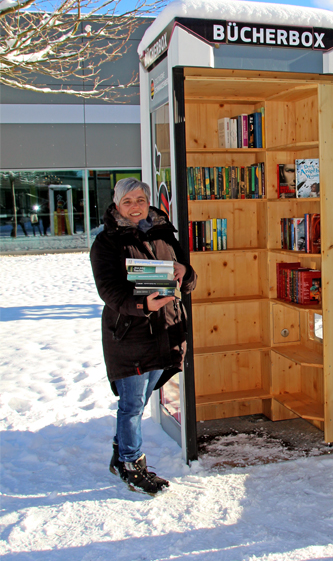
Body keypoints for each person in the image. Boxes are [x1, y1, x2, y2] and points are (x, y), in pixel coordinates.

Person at [90, 178, 197, 495]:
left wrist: (183, 272)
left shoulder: (162, 231)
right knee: (132, 405)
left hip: (165, 330)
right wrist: (142, 304)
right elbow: (109, 292)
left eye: (140, 199)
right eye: (128, 201)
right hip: (130, 335)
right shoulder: (107, 243)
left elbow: (186, 279)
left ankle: (123, 447)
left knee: (143, 395)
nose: (135, 206)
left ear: (148, 202)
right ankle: (130, 463)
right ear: (117, 204)